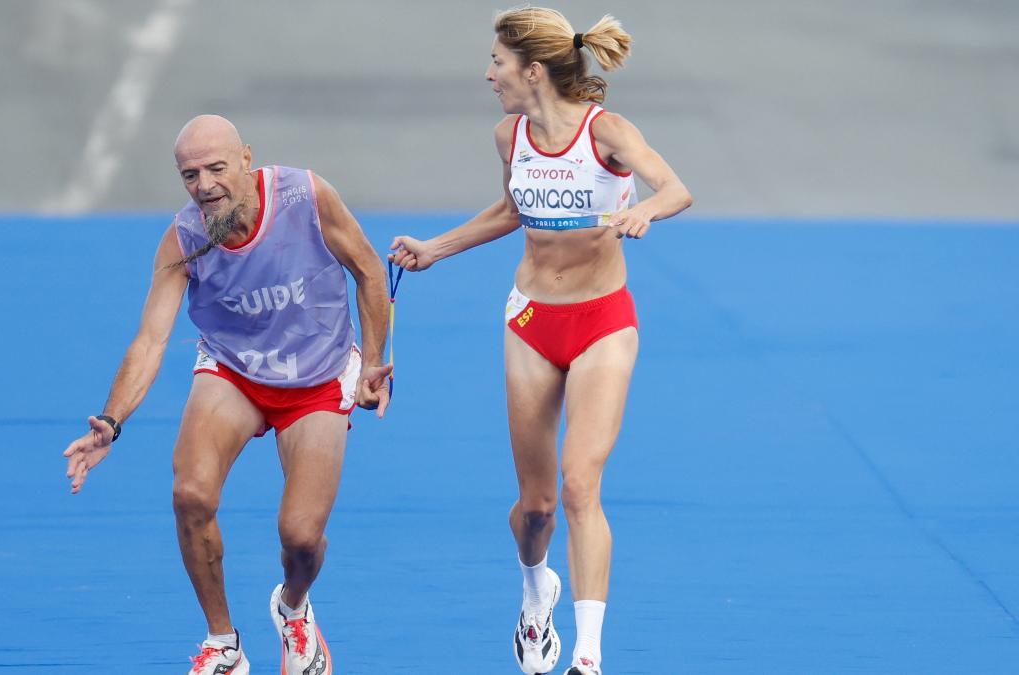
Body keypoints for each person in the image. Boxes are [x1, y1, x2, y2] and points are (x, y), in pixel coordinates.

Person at [390, 7, 692, 674]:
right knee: (537, 506)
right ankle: (536, 591)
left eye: (497, 63)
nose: (488, 74)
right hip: (531, 321)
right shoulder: (510, 136)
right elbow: (509, 209)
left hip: (603, 320)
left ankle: (588, 654)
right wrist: (435, 248)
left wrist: (644, 206)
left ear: (532, 71)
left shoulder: (606, 132)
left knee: (582, 484)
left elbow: (676, 187)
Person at [62, 114, 391, 675]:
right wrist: (110, 421)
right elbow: (150, 340)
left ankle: (293, 609)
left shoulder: (306, 196)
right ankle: (223, 644)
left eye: (216, 168)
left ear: (246, 159)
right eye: (190, 175)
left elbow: (367, 271)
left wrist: (375, 362)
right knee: (190, 494)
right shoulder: (184, 238)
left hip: (319, 375)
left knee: (301, 536)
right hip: (234, 371)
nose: (205, 185)